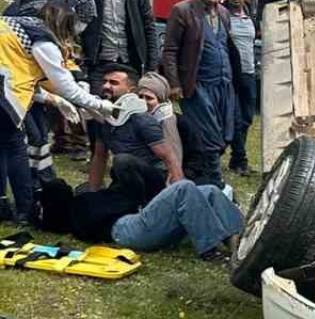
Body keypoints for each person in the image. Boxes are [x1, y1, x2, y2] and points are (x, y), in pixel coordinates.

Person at [0, 2, 117, 225]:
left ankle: (2, 203)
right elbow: (65, 85)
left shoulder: (15, 25)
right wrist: (100, 105)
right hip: (4, 93)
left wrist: (57, 100)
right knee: (14, 148)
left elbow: (23, 77)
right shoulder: (42, 39)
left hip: (4, 87)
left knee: (2, 145)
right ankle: (26, 209)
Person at [40, 171, 242, 260]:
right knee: (184, 188)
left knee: (209, 190)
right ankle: (209, 249)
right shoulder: (77, 210)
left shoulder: (85, 201)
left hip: (134, 220)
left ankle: (240, 238)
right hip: (125, 230)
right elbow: (101, 219)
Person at [160, 0, 241, 187]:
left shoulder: (223, 13)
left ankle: (196, 170)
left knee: (224, 135)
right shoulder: (182, 10)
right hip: (198, 84)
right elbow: (170, 50)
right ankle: (214, 178)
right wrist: (174, 83)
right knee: (209, 134)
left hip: (223, 83)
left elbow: (226, 46)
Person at [86, 63, 183, 194]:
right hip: (125, 177)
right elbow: (99, 156)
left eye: (114, 83)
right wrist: (93, 193)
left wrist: (177, 193)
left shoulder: (141, 119)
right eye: (105, 82)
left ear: (131, 91)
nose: (106, 86)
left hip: (153, 180)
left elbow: (169, 158)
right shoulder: (104, 120)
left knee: (122, 161)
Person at [226, 0, 254, 176]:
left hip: (249, 72)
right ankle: (239, 159)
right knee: (236, 118)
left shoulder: (251, 14)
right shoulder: (223, 16)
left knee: (248, 117)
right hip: (232, 73)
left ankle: (237, 157)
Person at [137, 71, 182, 166]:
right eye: (140, 96)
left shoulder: (166, 119)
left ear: (160, 100)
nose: (143, 101)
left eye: (149, 98)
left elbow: (174, 154)